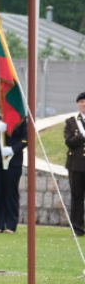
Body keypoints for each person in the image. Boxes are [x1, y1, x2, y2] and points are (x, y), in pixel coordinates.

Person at [0, 112, 27, 233]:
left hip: (13, 159)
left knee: (11, 191)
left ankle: (11, 225)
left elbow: (25, 139)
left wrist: (13, 149)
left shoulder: (21, 118)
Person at [62, 93, 85, 237]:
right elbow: (69, 142)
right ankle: (77, 227)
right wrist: (82, 136)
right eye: (81, 102)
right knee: (77, 196)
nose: (84, 104)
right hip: (76, 165)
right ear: (78, 104)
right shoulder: (71, 122)